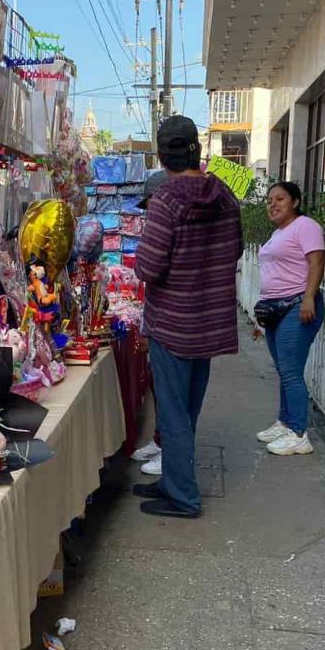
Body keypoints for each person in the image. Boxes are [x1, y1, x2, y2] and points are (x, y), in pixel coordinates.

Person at [132, 116, 243, 518]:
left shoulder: (165, 200)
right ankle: (172, 481)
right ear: (196, 149)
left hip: (173, 324)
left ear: (162, 156)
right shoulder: (227, 197)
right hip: (209, 323)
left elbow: (149, 266)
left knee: (173, 413)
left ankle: (183, 497)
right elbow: (235, 252)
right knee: (186, 411)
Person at [253, 181, 325, 456]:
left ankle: (298, 433)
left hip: (297, 305)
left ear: (295, 201)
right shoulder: (279, 233)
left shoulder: (305, 226)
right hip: (275, 308)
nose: (273, 204)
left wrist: (309, 297)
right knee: (284, 369)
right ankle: (285, 422)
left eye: (280, 199)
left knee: (291, 371)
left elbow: (317, 261)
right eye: (269, 200)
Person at [129, 169, 172, 477]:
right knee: (158, 384)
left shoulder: (172, 227)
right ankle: (160, 441)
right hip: (160, 316)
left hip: (175, 323)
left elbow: (147, 267)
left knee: (172, 393)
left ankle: (171, 454)